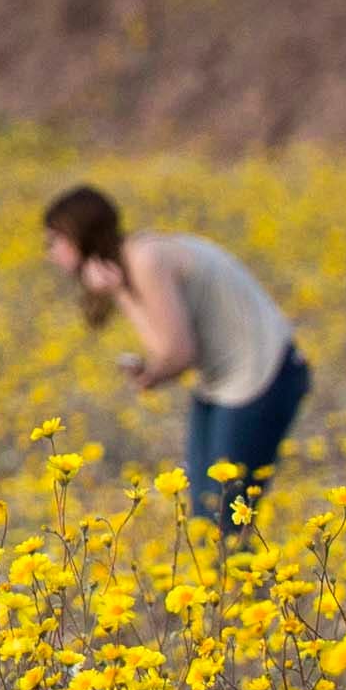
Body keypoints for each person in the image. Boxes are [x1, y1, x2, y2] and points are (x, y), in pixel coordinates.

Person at [40, 185, 310, 534]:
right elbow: (169, 351)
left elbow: (177, 352)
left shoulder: (145, 259)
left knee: (223, 520)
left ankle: (239, 586)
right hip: (222, 382)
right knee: (205, 514)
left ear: (79, 233)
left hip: (264, 376)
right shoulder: (135, 257)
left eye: (54, 241)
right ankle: (223, 585)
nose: (50, 254)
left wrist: (121, 294)